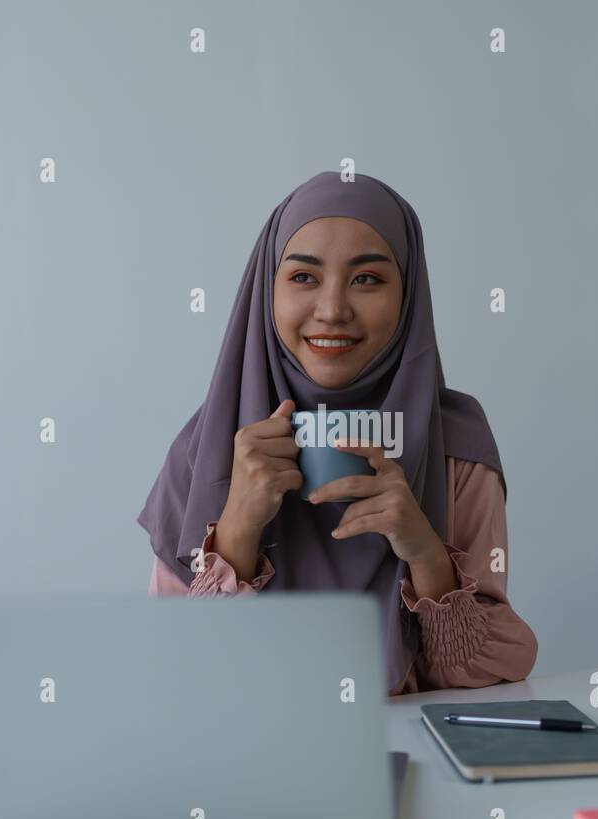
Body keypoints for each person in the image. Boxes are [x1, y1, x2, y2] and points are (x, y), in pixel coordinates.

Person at [138, 171, 536, 696]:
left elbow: (485, 670)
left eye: (367, 279)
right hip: (246, 755)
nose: (332, 311)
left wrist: (425, 554)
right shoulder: (208, 447)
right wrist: (236, 530)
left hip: (408, 758)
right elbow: (172, 671)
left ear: (409, 294)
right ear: (268, 288)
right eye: (303, 277)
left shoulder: (456, 446)